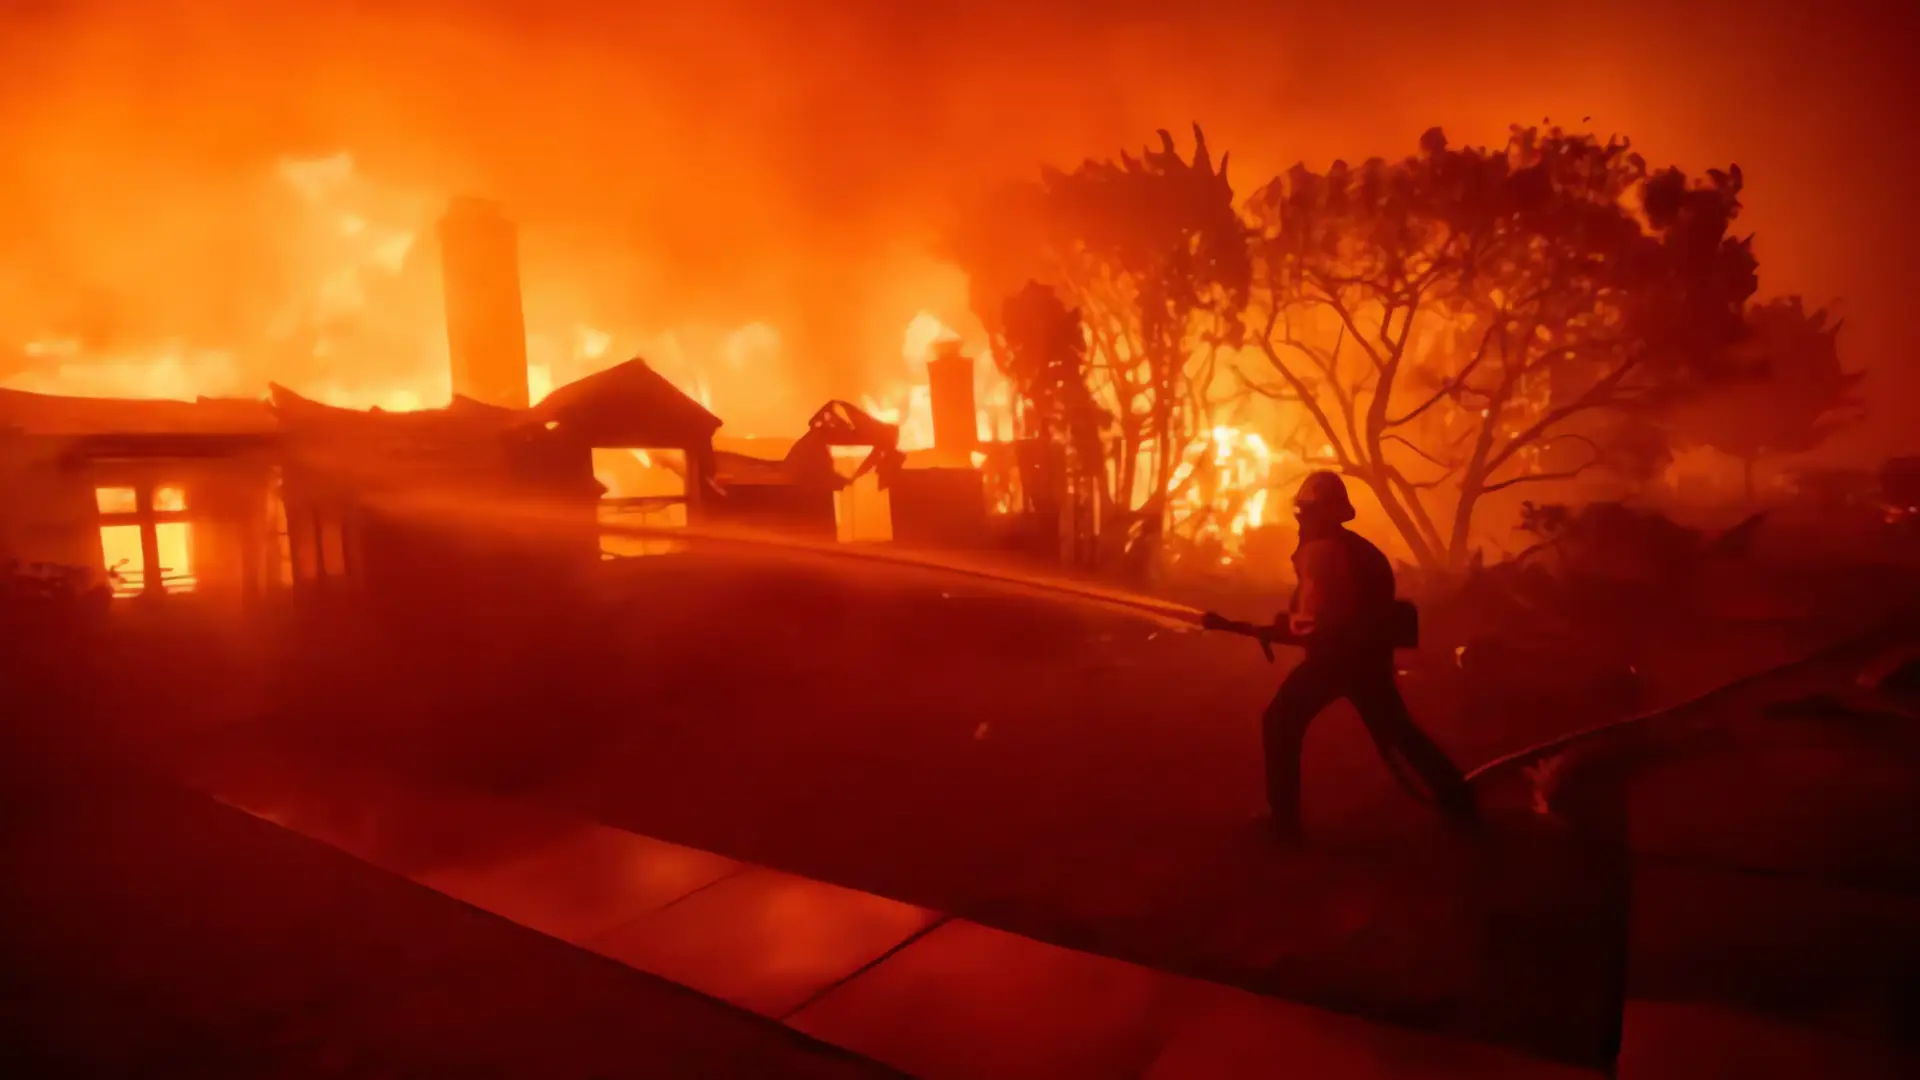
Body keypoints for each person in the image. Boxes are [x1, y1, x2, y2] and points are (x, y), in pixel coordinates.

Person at [1206, 470, 1479, 841]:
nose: (1300, 518)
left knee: (1280, 721)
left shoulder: (1323, 553)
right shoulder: (1355, 549)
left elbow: (1320, 619)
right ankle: (1460, 802)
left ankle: (1283, 822)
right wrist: (1273, 629)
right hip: (1365, 659)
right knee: (1398, 732)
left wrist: (1273, 631)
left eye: (1306, 510)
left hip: (1337, 660)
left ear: (1322, 513)